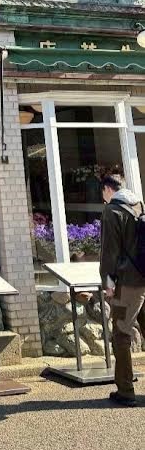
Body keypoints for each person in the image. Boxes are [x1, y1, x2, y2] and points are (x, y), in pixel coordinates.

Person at [100, 172, 145, 407]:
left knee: (121, 335)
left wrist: (108, 284)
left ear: (108, 189)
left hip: (128, 283)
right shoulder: (140, 205)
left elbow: (109, 252)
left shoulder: (112, 211)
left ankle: (126, 391)